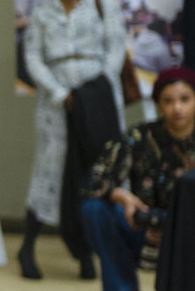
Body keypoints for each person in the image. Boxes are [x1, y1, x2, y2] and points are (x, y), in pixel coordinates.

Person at [19, 0, 127, 280]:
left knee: (95, 172)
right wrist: (60, 92)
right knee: (49, 172)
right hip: (56, 105)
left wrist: (91, 94)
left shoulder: (103, 3)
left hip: (97, 102)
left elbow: (115, 51)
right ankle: (27, 247)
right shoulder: (43, 8)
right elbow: (33, 56)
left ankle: (87, 253)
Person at [81, 66, 195, 291]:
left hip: (189, 235)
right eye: (168, 101)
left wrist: (179, 229)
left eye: (185, 99)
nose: (177, 108)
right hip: (145, 227)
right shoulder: (139, 137)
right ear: (158, 104)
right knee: (94, 209)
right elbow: (95, 179)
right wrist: (122, 197)